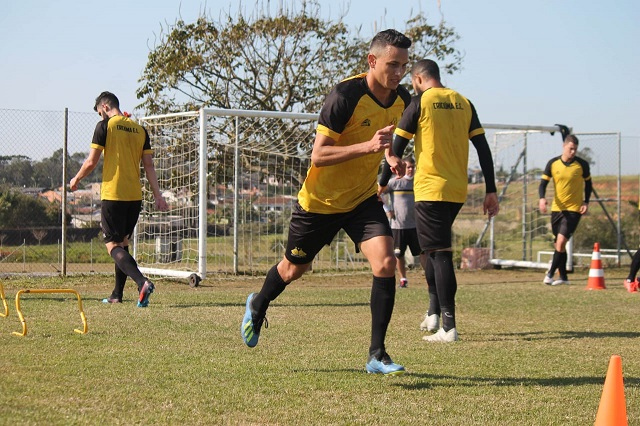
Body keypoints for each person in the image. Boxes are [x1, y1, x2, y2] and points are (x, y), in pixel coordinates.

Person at [241, 29, 412, 376]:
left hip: (362, 200)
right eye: (392, 65)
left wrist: (392, 157)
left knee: (385, 263)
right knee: (293, 270)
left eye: (403, 66)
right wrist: (367, 146)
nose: (398, 73)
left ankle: (377, 354)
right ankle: (258, 303)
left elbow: (390, 140)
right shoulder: (345, 96)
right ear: (372, 60)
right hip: (319, 203)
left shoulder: (402, 98)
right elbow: (318, 155)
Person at [379, 59, 499, 343]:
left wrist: (382, 184)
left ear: (418, 79)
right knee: (430, 252)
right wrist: (491, 189)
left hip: (430, 190)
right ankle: (433, 313)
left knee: (440, 253)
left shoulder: (421, 102)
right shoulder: (463, 102)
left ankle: (449, 326)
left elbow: (395, 149)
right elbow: (483, 149)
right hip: (456, 190)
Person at [70, 91, 168, 307]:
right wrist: (158, 195)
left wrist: (76, 179)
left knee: (112, 245)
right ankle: (117, 294)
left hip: (114, 195)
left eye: (99, 112)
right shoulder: (139, 129)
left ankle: (142, 282)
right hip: (134, 197)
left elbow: (91, 161)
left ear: (104, 107)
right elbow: (149, 165)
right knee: (123, 243)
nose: (99, 117)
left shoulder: (105, 127)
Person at [538, 134, 592, 286]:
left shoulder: (582, 164)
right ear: (564, 146)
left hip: (574, 210)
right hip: (557, 209)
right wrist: (542, 198)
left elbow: (589, 184)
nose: (573, 152)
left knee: (561, 242)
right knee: (558, 244)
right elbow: (543, 184)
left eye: (575, 149)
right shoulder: (553, 163)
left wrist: (586, 202)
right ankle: (563, 278)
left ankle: (549, 275)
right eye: (571, 149)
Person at [379, 158, 426, 288]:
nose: (411, 169)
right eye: (408, 167)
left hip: (416, 225)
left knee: (422, 252)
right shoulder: (395, 182)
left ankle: (430, 278)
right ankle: (403, 279)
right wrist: (388, 209)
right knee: (398, 254)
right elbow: (380, 193)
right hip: (398, 225)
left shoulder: (418, 183)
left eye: (413, 167)